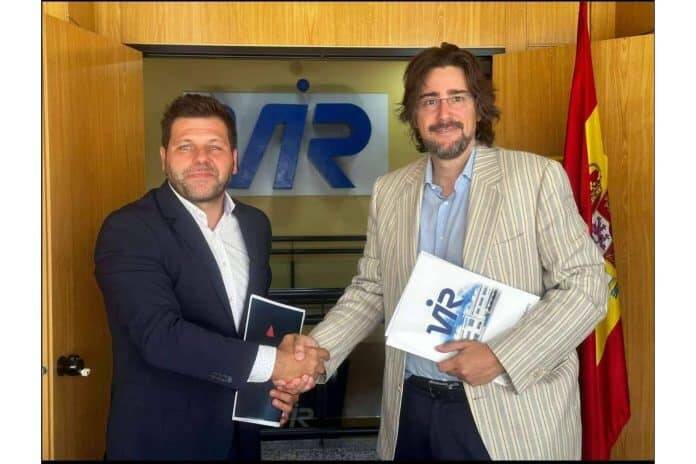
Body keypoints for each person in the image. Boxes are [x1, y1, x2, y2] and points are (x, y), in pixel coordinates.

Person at [279, 43, 608, 460]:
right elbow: (372, 289)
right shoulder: (390, 190)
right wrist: (315, 353)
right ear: (414, 116)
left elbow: (586, 285)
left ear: (478, 107)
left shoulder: (536, 178)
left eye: (457, 97)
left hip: (509, 411)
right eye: (429, 100)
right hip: (412, 406)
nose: (444, 113)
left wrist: (501, 357)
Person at [94, 94, 328, 460]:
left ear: (234, 159)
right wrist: (275, 363)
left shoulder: (254, 225)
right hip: (161, 443)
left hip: (241, 437)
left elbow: (252, 327)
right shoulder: (129, 229)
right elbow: (160, 337)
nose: (201, 158)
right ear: (164, 157)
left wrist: (277, 385)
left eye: (214, 147)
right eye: (185, 146)